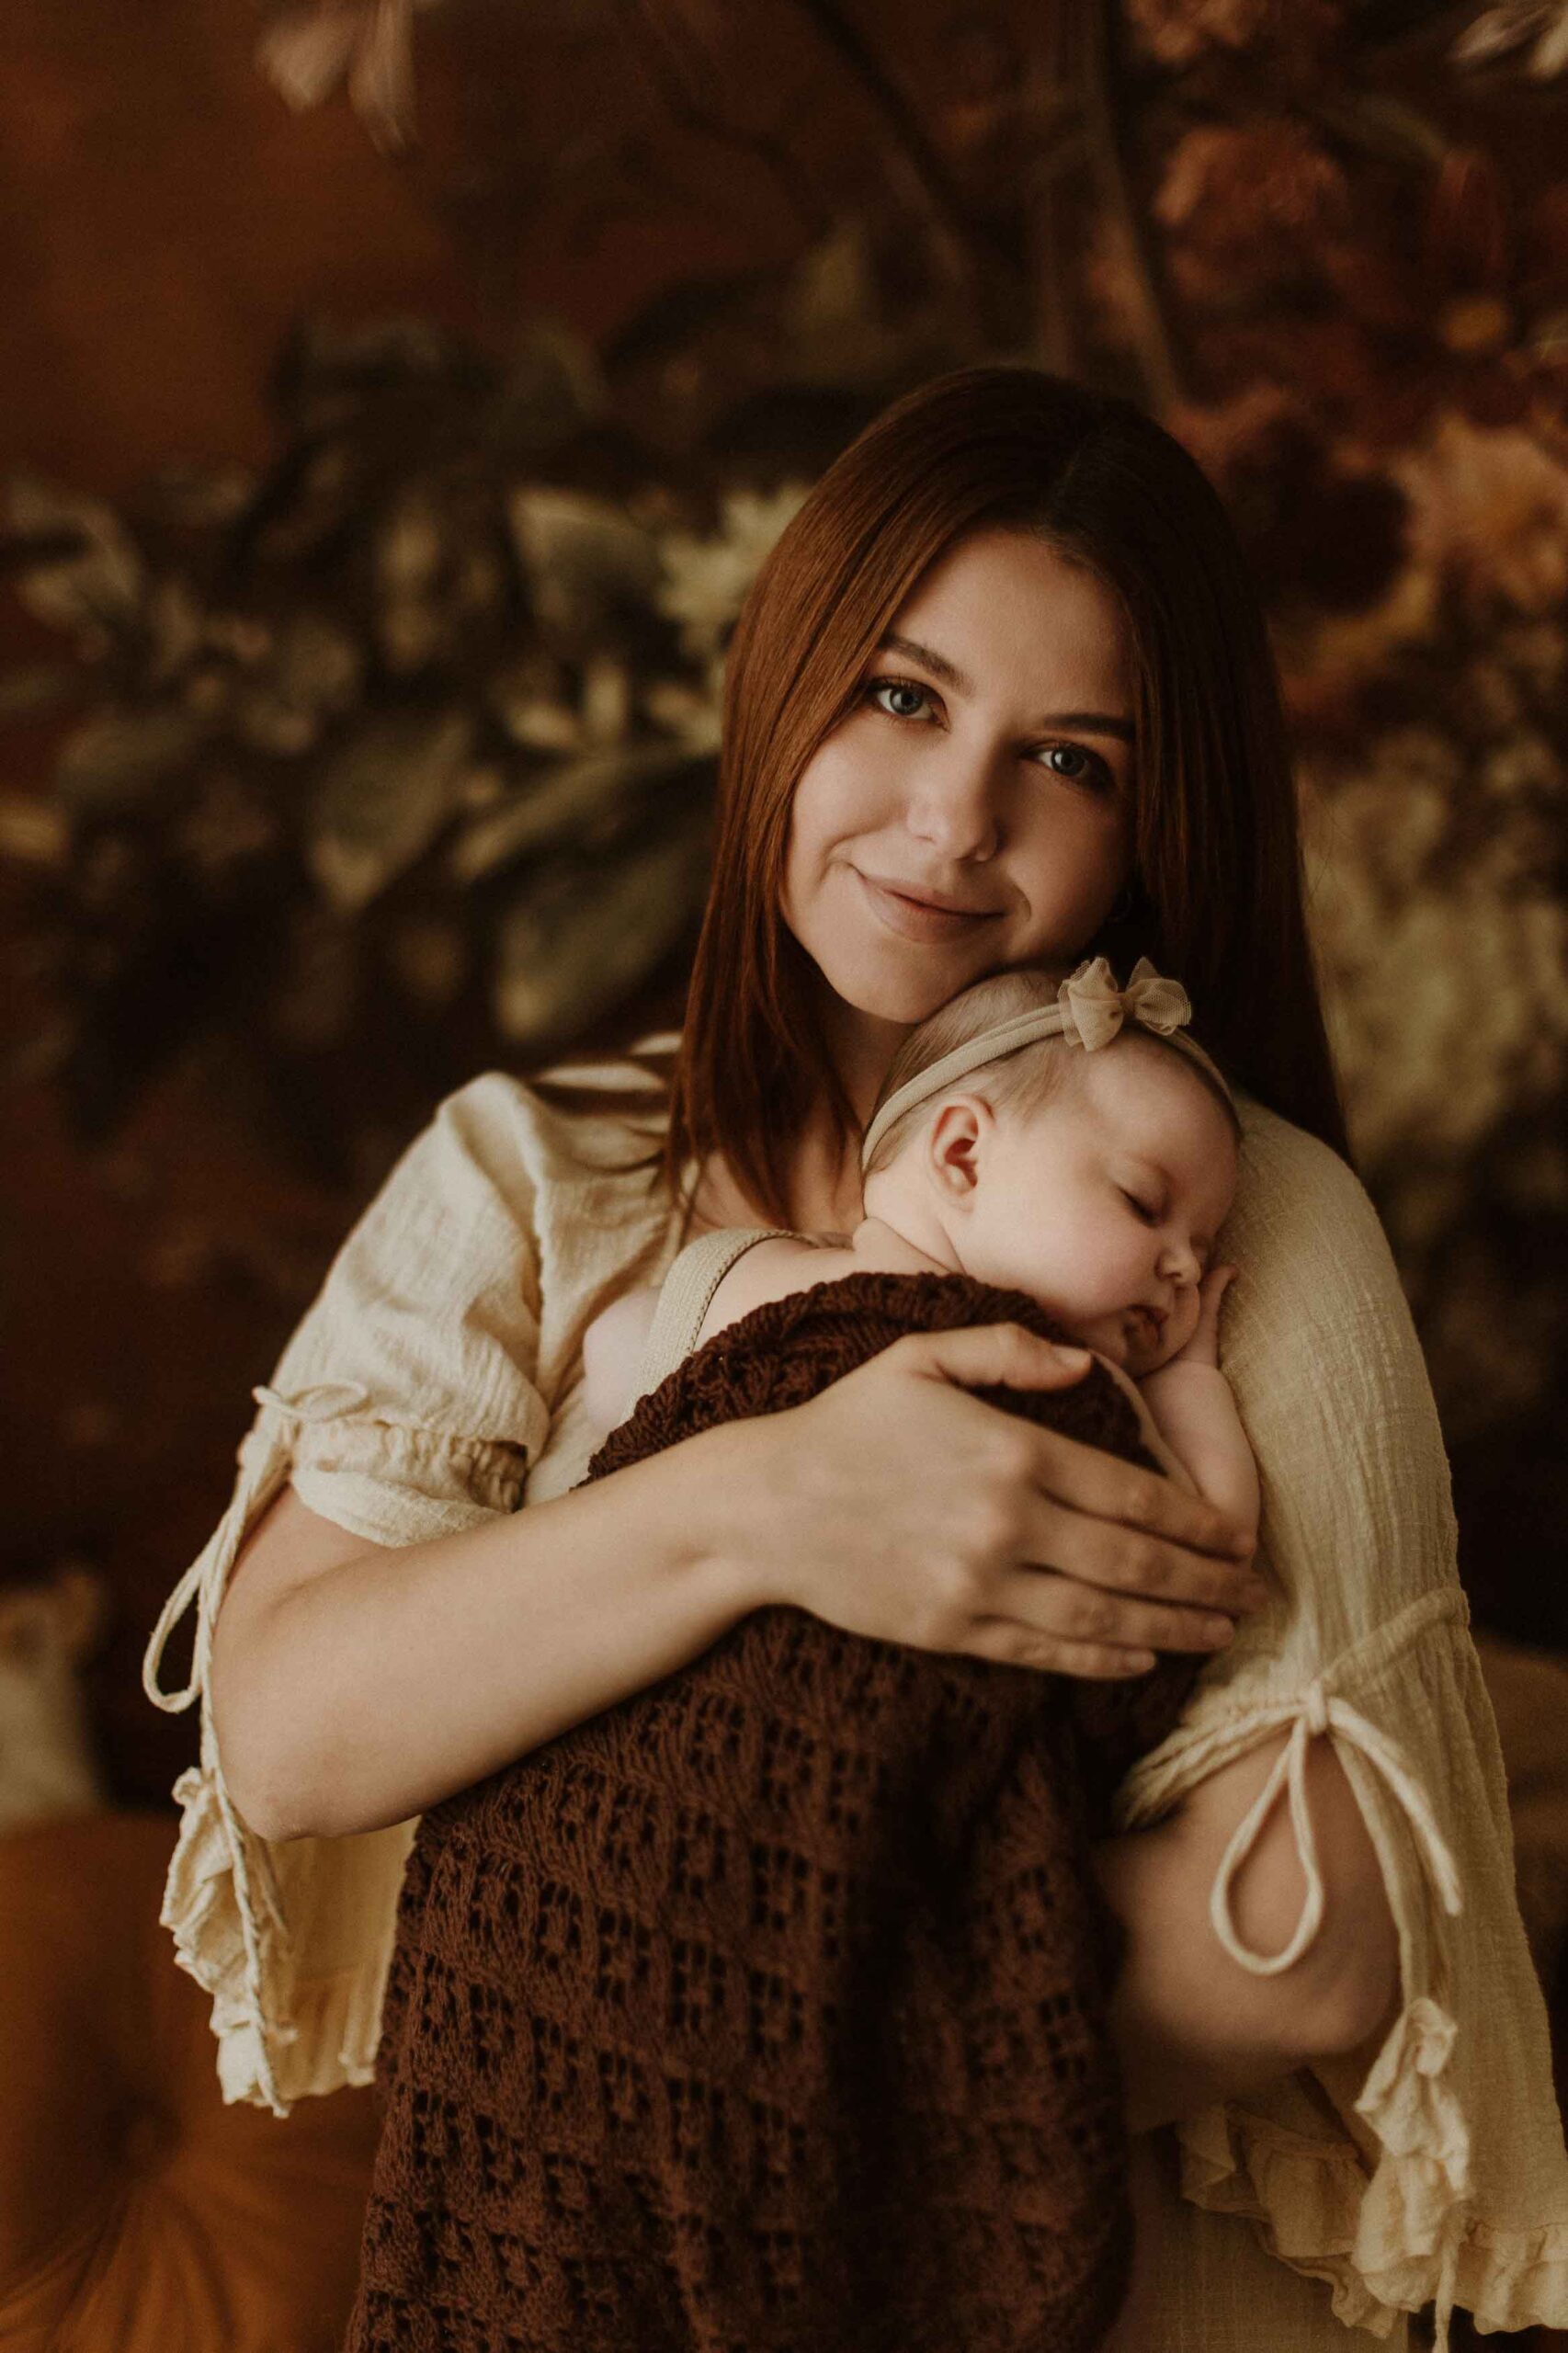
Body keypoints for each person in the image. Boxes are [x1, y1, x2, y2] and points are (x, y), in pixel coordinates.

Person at [142, 364, 1568, 2350]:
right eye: (898, 697)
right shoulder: (531, 1175)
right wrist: (762, 1500)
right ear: (782, 686)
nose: (952, 819)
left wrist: (660, 2079)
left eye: (1066, 757)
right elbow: (291, 1723)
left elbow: (1303, 1939)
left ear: (1153, 821)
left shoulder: (1209, 1224)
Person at [584, 957, 1257, 1548]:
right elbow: (619, 1392)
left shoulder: (1089, 1390)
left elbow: (1210, 1539)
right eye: (1143, 1204)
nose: (1187, 1270)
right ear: (962, 1155)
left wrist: (1187, 1378)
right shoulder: (760, 1279)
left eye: (1201, 1245)